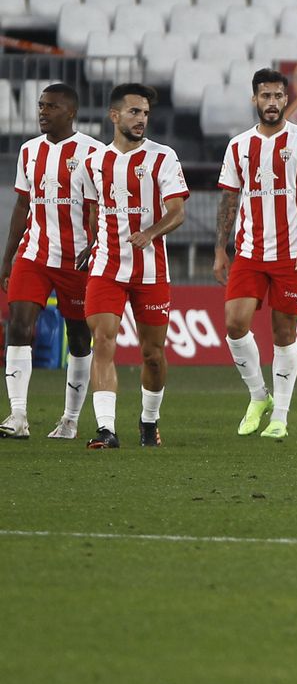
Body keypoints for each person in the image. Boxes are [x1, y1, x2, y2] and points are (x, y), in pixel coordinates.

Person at [213, 68, 297, 441]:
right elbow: (229, 200)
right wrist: (221, 248)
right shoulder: (238, 146)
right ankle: (258, 396)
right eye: (265, 96)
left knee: (284, 332)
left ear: (286, 100)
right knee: (235, 323)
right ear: (255, 100)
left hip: (292, 254)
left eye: (278, 96)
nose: (272, 103)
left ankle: (279, 415)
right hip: (249, 251)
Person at [77, 84, 189, 450]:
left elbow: (177, 212)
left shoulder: (163, 158)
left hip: (151, 272)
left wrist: (150, 233)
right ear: (114, 116)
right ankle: (106, 430)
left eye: (145, 113)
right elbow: (93, 213)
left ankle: (148, 420)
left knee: (152, 355)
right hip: (106, 268)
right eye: (134, 112)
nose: (142, 119)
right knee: (103, 341)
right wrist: (93, 245)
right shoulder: (94, 162)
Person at [0, 84, 103, 440]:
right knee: (19, 324)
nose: (43, 111)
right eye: (41, 105)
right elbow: (22, 207)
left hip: (78, 258)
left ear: (71, 112)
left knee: (78, 336)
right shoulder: (29, 151)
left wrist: (98, 246)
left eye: (52, 106)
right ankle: (17, 416)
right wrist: (8, 258)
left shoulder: (93, 152)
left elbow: (101, 209)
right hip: (35, 253)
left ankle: (70, 420)